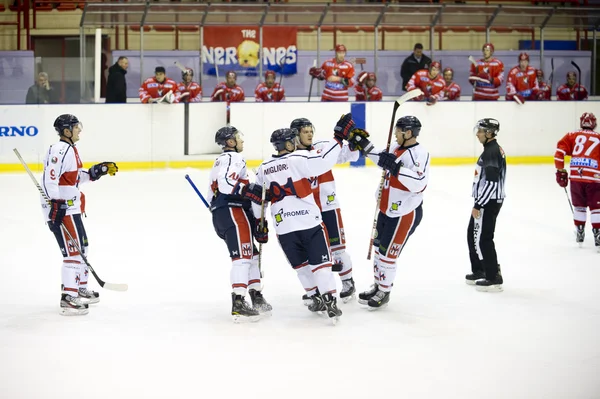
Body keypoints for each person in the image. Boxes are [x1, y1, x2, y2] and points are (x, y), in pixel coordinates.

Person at [249, 115, 358, 324]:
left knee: (302, 267)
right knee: (322, 265)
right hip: (309, 220)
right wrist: (338, 137)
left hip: (284, 227)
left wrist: (258, 224)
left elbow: (258, 199)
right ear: (291, 142)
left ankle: (316, 295)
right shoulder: (299, 158)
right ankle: (329, 299)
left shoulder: (263, 167)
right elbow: (325, 161)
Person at [346, 116, 429, 309]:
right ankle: (378, 285)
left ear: (408, 133)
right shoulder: (395, 147)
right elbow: (382, 159)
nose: (395, 134)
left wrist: (396, 168)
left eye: (398, 131)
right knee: (379, 250)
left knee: (387, 255)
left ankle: (385, 290)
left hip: (404, 213)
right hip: (386, 209)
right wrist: (364, 145)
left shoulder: (420, 153)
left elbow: (419, 183)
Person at [42, 114, 118, 315]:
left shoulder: (71, 149)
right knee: (72, 253)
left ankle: (79, 287)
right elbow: (50, 181)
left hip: (72, 207)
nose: (79, 130)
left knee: (82, 247)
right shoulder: (59, 150)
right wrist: (56, 205)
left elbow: (73, 179)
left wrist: (96, 171)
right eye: (76, 127)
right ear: (67, 131)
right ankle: (68, 297)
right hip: (62, 209)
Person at [290, 117, 360, 304]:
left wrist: (354, 143)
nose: (310, 134)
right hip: (305, 212)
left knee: (337, 249)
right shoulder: (291, 157)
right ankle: (319, 289)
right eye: (305, 132)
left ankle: (347, 282)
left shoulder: (322, 147)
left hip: (328, 206)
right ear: (296, 135)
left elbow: (346, 155)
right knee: (313, 254)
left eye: (310, 130)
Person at [206, 126, 272, 322]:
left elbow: (212, 195)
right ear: (231, 142)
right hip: (232, 211)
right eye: (238, 137)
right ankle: (239, 301)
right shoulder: (233, 158)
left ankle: (256, 296)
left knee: (251, 255)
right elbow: (228, 183)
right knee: (243, 258)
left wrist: (256, 219)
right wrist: (249, 188)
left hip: (227, 214)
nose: (242, 140)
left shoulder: (219, 161)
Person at [465, 118, 507, 292]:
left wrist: (478, 204)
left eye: (481, 131)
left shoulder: (491, 151)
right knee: (473, 234)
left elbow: (491, 183)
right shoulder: (491, 149)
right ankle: (480, 270)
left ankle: (493, 277)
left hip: (488, 202)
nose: (478, 134)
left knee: (484, 238)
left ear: (489, 133)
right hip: (486, 201)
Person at [554, 112, 600, 250]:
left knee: (579, 206)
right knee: (596, 208)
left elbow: (559, 152)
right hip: (594, 178)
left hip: (576, 177)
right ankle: (598, 234)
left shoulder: (571, 135)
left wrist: (560, 170)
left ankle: (580, 231)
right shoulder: (599, 137)